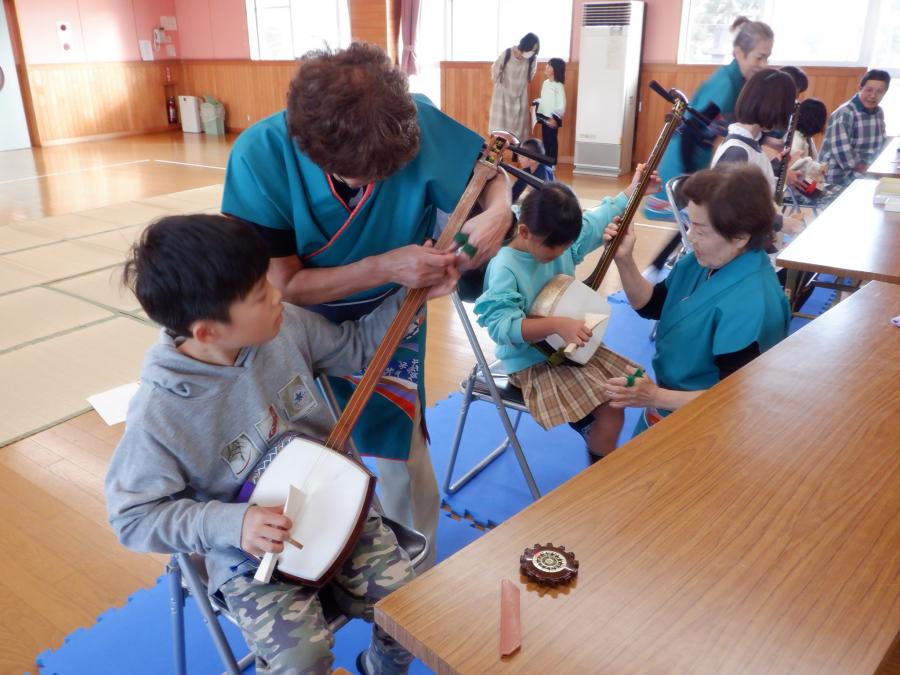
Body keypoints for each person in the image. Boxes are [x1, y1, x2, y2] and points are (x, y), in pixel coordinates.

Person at [105, 215, 459, 674]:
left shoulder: (285, 326)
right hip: (249, 556)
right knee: (302, 657)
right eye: (260, 295)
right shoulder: (160, 415)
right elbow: (131, 517)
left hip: (336, 507)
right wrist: (235, 524)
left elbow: (354, 349)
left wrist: (410, 300)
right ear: (207, 332)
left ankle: (381, 667)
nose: (279, 295)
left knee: (410, 607)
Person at [221, 43, 513, 569]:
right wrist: (386, 265)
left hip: (391, 313)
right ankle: (319, 567)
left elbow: (490, 174)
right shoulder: (260, 156)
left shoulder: (413, 120)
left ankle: (415, 571)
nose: (375, 186)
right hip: (297, 325)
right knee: (304, 453)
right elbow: (283, 284)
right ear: (310, 148)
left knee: (398, 443)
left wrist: (499, 212)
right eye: (361, 178)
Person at [474, 167, 657, 462]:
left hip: (568, 348)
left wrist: (633, 190)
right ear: (524, 232)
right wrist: (559, 324)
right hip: (531, 363)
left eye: (567, 249)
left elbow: (596, 222)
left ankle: (596, 442)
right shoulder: (505, 266)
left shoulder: (555, 241)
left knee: (627, 392)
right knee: (611, 414)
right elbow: (501, 327)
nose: (561, 255)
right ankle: (596, 452)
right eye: (554, 250)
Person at [603, 164, 790, 436]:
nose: (690, 237)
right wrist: (624, 260)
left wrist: (655, 396)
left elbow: (733, 401)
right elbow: (652, 305)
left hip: (709, 429)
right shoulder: (702, 262)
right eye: (690, 225)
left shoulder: (754, 303)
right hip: (665, 408)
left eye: (701, 230)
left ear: (740, 237)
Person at [643, 16, 774, 222]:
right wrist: (690, 178)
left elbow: (736, 123)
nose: (764, 64)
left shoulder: (740, 82)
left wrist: (768, 138)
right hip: (682, 161)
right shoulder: (725, 86)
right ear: (739, 52)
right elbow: (689, 131)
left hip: (697, 159)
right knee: (699, 226)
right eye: (759, 57)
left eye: (767, 58)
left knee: (695, 230)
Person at [711, 68, 804, 235]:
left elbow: (751, 185)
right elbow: (728, 211)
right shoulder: (737, 152)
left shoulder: (750, 144)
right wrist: (779, 223)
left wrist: (776, 165)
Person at [819, 69, 890, 191]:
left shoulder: (879, 112)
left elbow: (881, 143)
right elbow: (842, 152)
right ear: (860, 88)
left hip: (866, 172)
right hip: (838, 177)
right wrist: (870, 172)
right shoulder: (845, 113)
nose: (873, 95)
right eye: (869, 90)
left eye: (879, 92)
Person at [489, 33, 541, 144]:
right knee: (499, 132)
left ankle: (519, 159)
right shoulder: (507, 54)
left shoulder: (532, 59)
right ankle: (493, 160)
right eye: (531, 49)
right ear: (524, 45)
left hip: (520, 98)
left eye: (534, 51)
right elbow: (495, 73)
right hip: (502, 98)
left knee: (519, 134)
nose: (532, 52)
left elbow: (530, 77)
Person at [533, 58, 566, 165]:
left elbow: (561, 104)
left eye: (549, 65)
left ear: (555, 69)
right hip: (544, 117)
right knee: (545, 140)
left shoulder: (558, 86)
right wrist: (536, 103)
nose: (546, 67)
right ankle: (546, 161)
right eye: (547, 65)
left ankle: (552, 163)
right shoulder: (545, 83)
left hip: (552, 118)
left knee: (552, 141)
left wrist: (555, 118)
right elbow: (545, 99)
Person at [511, 138, 554, 204]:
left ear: (533, 160)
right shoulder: (527, 169)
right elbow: (517, 189)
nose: (519, 159)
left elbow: (544, 200)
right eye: (519, 155)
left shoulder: (543, 173)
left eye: (522, 157)